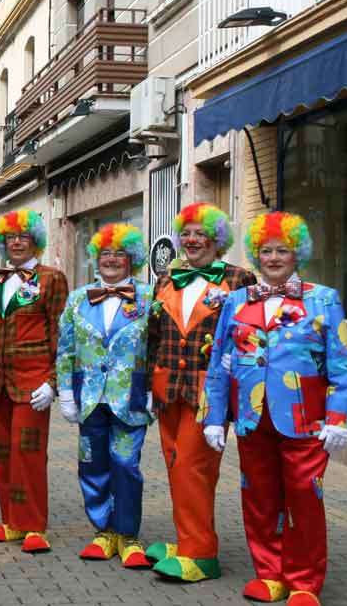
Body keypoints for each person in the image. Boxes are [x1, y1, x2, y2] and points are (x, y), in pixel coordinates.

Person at [201, 212, 347, 606]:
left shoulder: (323, 299)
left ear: (297, 253)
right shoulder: (236, 301)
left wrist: (338, 418)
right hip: (252, 418)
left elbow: (342, 363)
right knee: (259, 496)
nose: (273, 258)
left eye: (282, 250)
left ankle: (304, 582)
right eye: (266, 251)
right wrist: (214, 418)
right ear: (256, 255)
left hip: (305, 419)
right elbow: (219, 363)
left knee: (305, 497)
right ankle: (269, 573)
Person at [145, 203, 256, 582]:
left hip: (209, 392)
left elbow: (248, 338)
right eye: (187, 233)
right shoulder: (166, 280)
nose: (192, 240)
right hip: (167, 388)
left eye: (201, 233)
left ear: (217, 239)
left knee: (193, 467)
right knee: (175, 464)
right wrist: (147, 386)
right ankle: (185, 540)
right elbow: (154, 336)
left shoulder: (239, 279)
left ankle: (201, 553)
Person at [56, 223, 154, 569]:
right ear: (96, 258)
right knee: (92, 464)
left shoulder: (148, 297)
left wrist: (153, 389)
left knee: (125, 464)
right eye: (105, 254)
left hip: (131, 398)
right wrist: (65, 391)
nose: (111, 260)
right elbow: (66, 349)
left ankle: (127, 535)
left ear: (132, 259)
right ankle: (103, 531)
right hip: (89, 398)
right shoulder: (78, 298)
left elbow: (157, 347)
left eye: (119, 254)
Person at [0, 210, 68, 553]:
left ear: (35, 241)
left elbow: (61, 332)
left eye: (23, 236)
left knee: (29, 455)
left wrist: (53, 381)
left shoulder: (51, 279)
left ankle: (33, 525)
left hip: (33, 383)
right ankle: (12, 521)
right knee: (3, 454)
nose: (16, 242)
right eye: (10, 237)